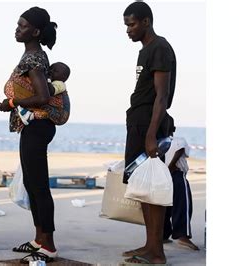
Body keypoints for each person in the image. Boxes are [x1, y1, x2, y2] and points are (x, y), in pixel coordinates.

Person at [0, 6, 59, 263]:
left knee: (39, 186)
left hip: (37, 127)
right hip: (32, 127)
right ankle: (39, 239)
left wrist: (11, 104)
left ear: (34, 31)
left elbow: (43, 96)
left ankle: (49, 246)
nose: (17, 29)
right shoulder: (33, 55)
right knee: (33, 186)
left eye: (22, 26)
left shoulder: (34, 58)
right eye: (18, 24)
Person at [121, 2, 177, 264]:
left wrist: (151, 134)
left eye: (131, 24)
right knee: (142, 186)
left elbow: (162, 96)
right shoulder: (145, 50)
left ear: (146, 21)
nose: (128, 30)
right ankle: (150, 245)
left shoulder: (159, 48)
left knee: (152, 188)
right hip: (139, 122)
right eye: (126, 25)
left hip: (149, 124)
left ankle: (157, 252)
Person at [163, 137, 200, 250]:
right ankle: (182, 236)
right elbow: (180, 149)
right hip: (176, 173)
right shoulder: (177, 139)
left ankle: (163, 234)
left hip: (163, 176)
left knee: (165, 206)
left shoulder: (159, 142)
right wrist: (171, 166)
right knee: (182, 205)